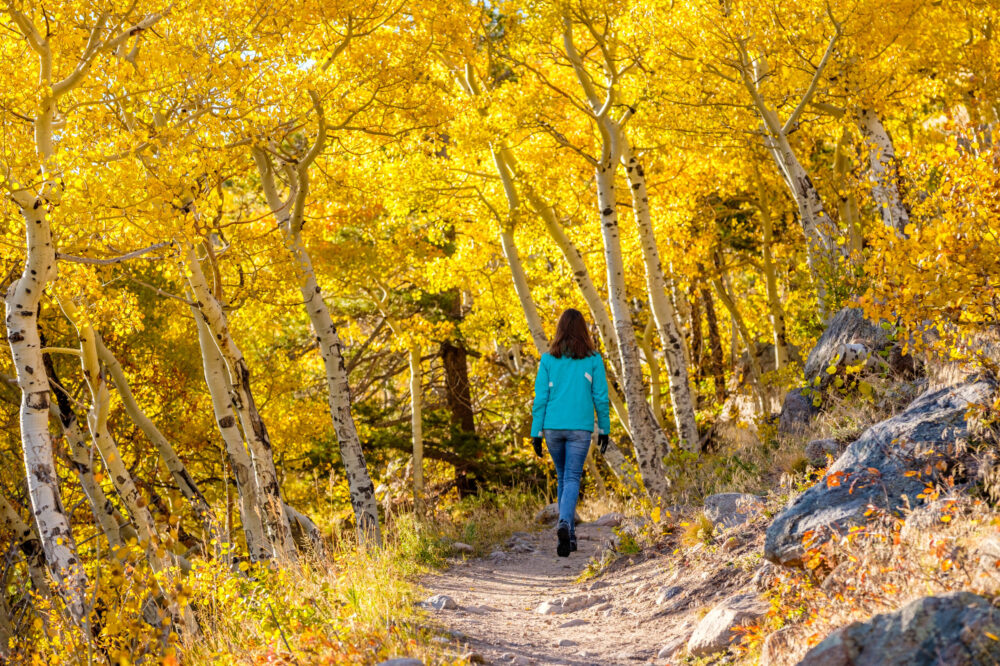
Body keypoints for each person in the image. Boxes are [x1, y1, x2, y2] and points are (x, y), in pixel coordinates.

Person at [530, 308, 610, 557]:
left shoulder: (548, 360)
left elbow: (541, 398)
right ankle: (565, 523)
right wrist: (604, 429)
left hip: (553, 428)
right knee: (572, 476)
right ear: (583, 331)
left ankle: (568, 537)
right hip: (580, 428)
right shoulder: (593, 359)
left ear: (560, 330)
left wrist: (536, 432)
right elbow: (601, 397)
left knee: (563, 476)